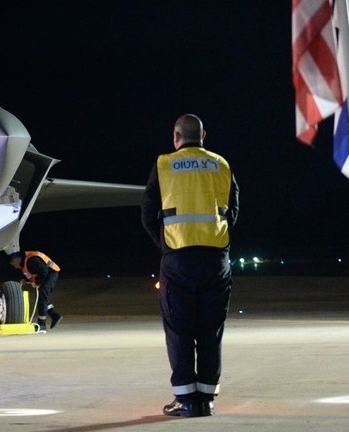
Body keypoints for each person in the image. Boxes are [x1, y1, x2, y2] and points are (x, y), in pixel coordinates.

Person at [140, 114, 240, 418]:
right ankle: (206, 399)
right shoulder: (222, 165)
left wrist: (168, 245)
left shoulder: (164, 165)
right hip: (215, 259)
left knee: (179, 330)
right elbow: (232, 210)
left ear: (175, 136)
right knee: (211, 330)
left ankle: (185, 400)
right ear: (203, 135)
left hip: (178, 259)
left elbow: (147, 212)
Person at [8, 250, 62, 331]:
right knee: (43, 298)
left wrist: (36, 282)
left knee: (42, 298)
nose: (14, 267)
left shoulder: (32, 260)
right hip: (47, 274)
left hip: (51, 273)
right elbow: (31, 273)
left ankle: (42, 324)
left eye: (14, 264)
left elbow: (44, 272)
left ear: (17, 259)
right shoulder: (26, 263)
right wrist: (24, 280)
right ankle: (55, 315)